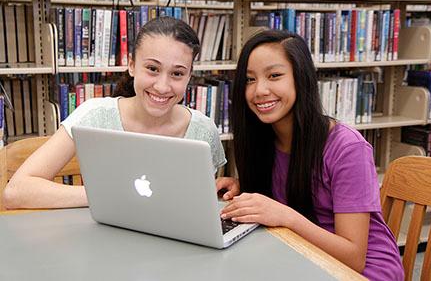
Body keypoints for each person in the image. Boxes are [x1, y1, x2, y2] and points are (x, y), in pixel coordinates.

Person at [216, 30, 404, 280]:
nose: (259, 90)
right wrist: (244, 190)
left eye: (274, 75)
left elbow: (354, 258)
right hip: (301, 257)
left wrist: (284, 215)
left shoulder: (348, 148)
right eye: (249, 80)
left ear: (301, 78)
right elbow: (290, 190)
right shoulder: (262, 139)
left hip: (361, 273)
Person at [3, 16, 226, 209]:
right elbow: (16, 191)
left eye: (177, 74)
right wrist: (108, 196)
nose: (162, 86)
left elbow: (200, 205)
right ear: (131, 65)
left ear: (189, 76)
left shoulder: (204, 131)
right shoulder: (94, 115)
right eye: (152, 69)